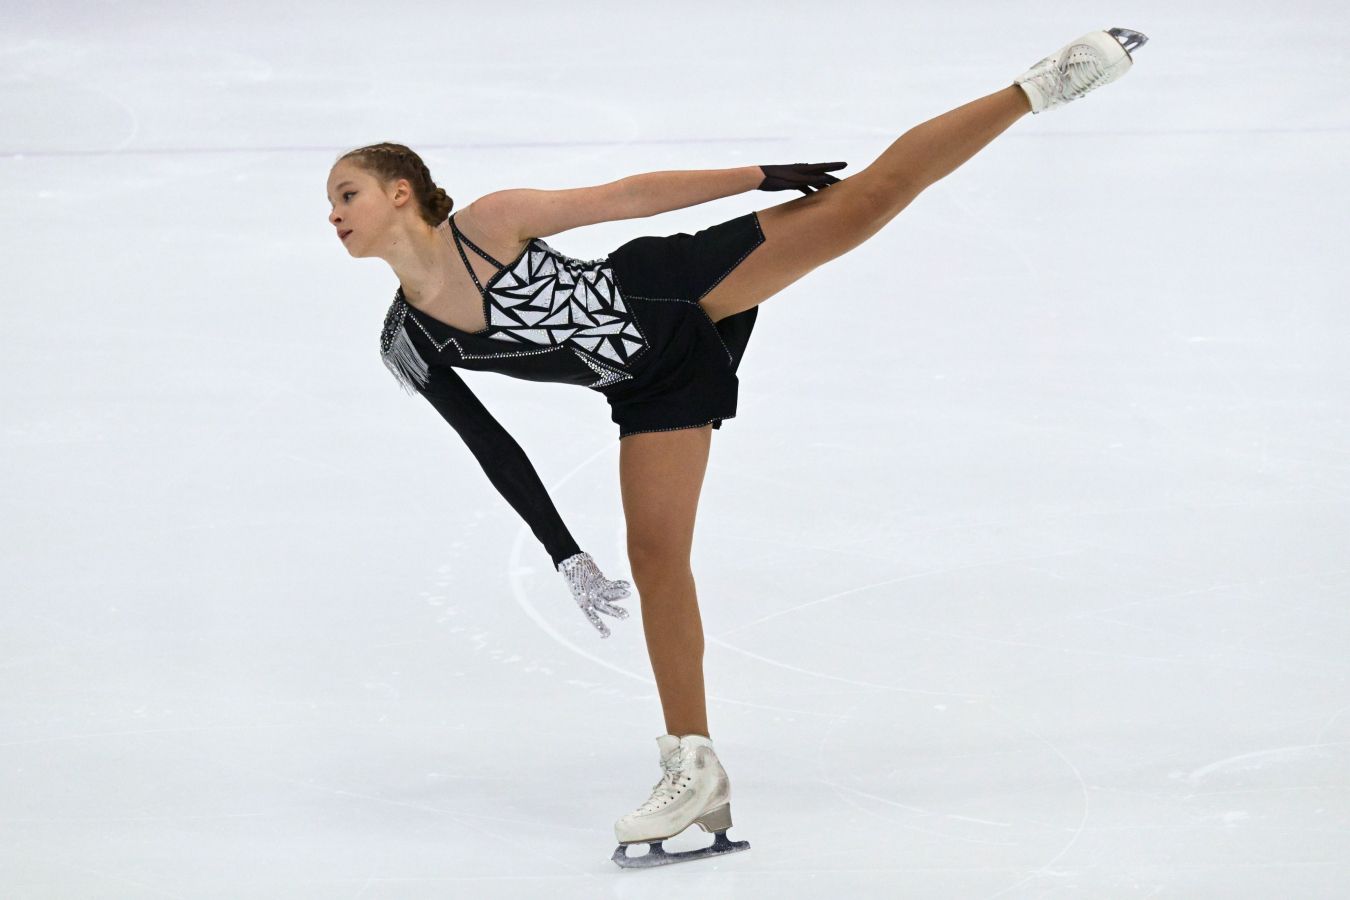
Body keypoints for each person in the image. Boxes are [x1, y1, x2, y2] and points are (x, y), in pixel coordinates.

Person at [325, 27, 1148, 867]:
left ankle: (1043, 84)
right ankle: (695, 767)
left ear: (401, 192)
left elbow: (626, 197)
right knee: (655, 557)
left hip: (668, 290)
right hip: (652, 384)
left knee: (867, 200)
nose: (335, 215)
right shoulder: (408, 341)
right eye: (331, 204)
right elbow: (490, 445)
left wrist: (756, 177)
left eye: (347, 194)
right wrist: (565, 552)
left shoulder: (488, 224)